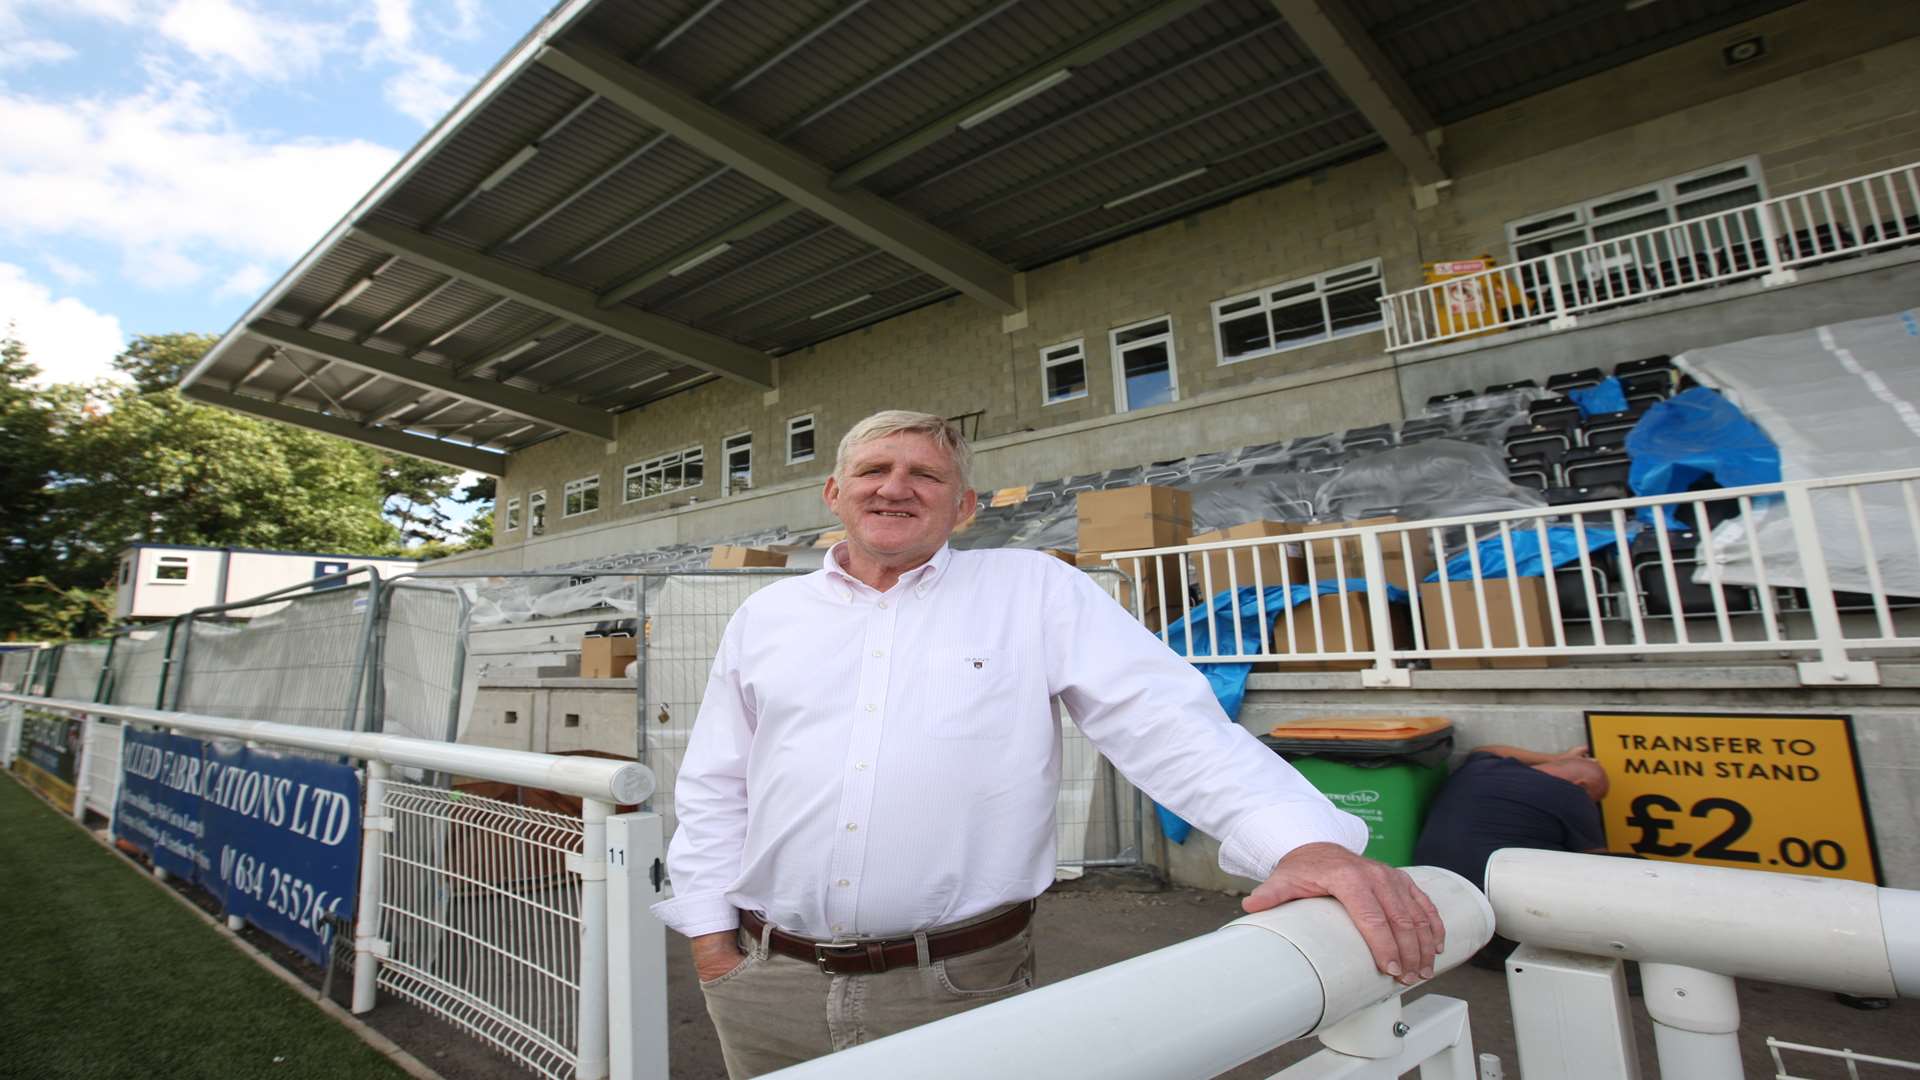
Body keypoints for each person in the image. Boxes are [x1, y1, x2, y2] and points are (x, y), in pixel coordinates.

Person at [652, 410, 1444, 1078]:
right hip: (764, 982)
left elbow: (1165, 721)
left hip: (958, 983)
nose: (895, 487)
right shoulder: (767, 617)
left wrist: (1303, 844)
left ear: (963, 508)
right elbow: (718, 783)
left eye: (925, 476)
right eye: (873, 470)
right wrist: (713, 946)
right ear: (835, 493)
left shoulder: (1032, 590)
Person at [1411, 744, 1608, 969]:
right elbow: (1597, 865)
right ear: (1582, 786)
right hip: (1502, 917)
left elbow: (1486, 747)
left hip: (1438, 902)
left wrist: (1556, 755)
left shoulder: (1481, 768)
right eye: (1595, 799)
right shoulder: (1572, 795)